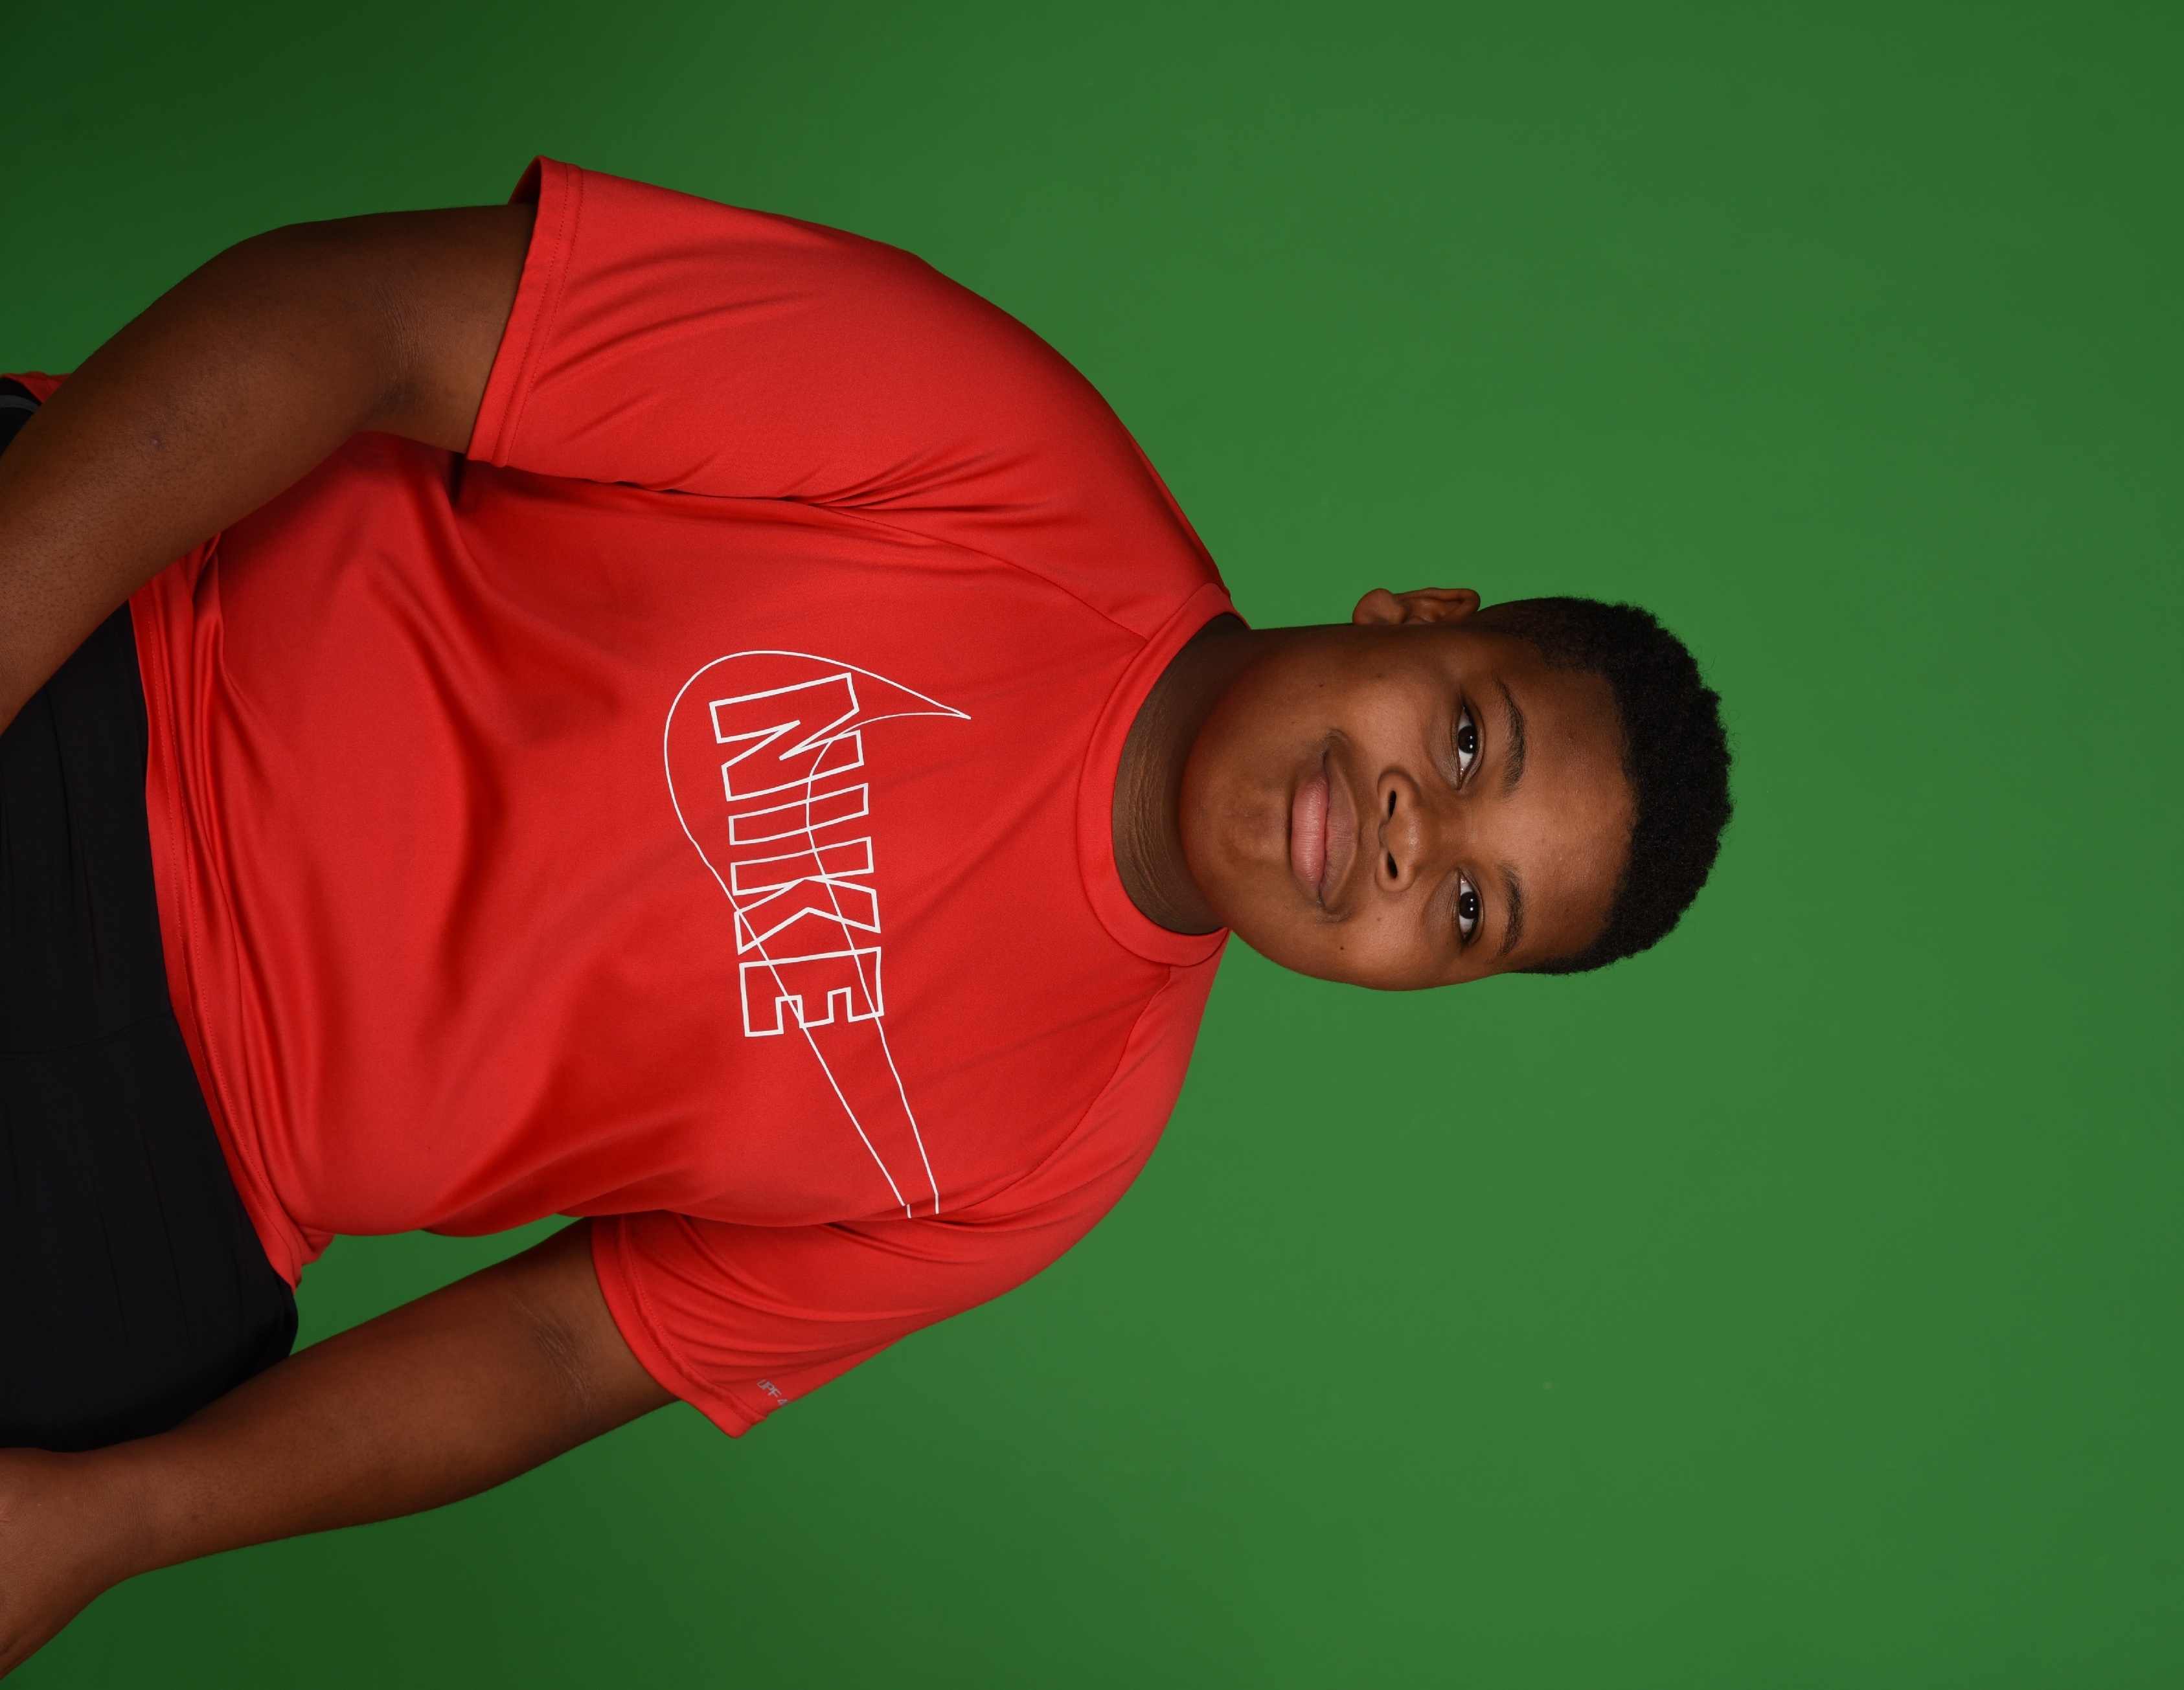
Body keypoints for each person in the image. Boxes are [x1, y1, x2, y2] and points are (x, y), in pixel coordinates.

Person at [0, 160, 1730, 1671]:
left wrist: (118, 1517)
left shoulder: (1057, 1151)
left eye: (1475, 909)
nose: (1417, 837)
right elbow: (357, 313)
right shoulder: (1001, 452)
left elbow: (560, 1346)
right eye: (1470, 738)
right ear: (1414, 613)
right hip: (117, 680)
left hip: (184, 1184)